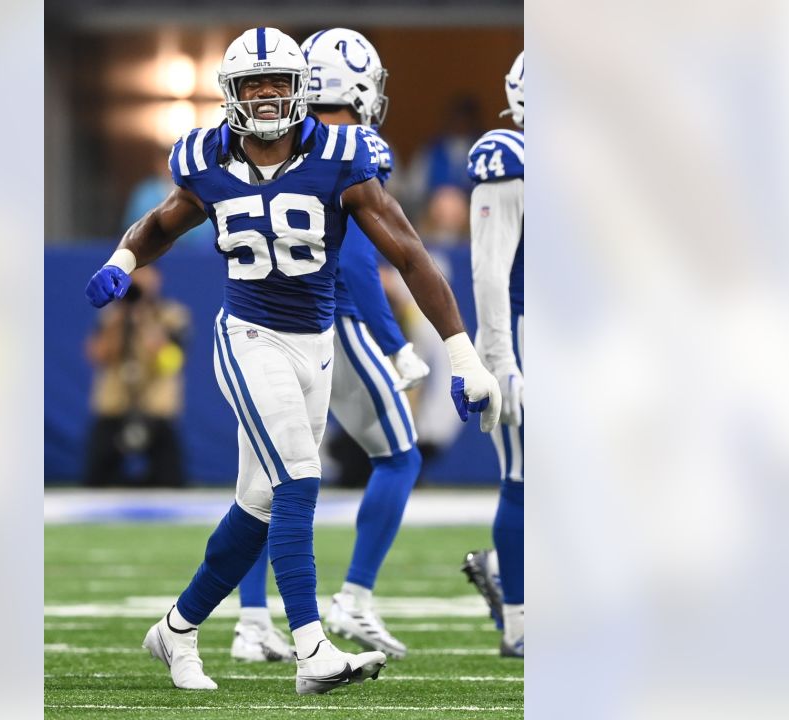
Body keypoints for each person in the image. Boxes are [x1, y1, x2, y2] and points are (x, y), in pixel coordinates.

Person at [85, 27, 500, 695]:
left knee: (256, 507)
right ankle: (313, 650)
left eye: (279, 81)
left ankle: (177, 629)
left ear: (302, 87)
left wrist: (462, 355)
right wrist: (121, 260)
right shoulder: (204, 158)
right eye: (255, 84)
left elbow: (410, 253)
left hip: (317, 345)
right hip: (249, 336)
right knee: (298, 481)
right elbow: (163, 221)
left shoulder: (339, 154)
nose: (269, 95)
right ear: (232, 95)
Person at [229, 27, 430, 664]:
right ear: (362, 85)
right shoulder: (354, 146)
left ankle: (252, 621)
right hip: (329, 323)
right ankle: (355, 598)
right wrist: (396, 343)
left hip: (256, 327)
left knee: (266, 482)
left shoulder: (275, 141)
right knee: (399, 456)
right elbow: (359, 265)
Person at [459, 51, 525, 659]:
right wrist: (502, 359)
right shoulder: (510, 157)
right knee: (525, 478)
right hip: (525, 335)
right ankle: (521, 621)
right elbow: (489, 271)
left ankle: (505, 572)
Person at [83, 265, 189, 487]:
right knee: (95, 481)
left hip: (156, 408)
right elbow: (97, 355)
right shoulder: (110, 316)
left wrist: (147, 323)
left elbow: (172, 363)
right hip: (114, 406)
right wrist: (120, 319)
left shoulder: (171, 315)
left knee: (171, 482)